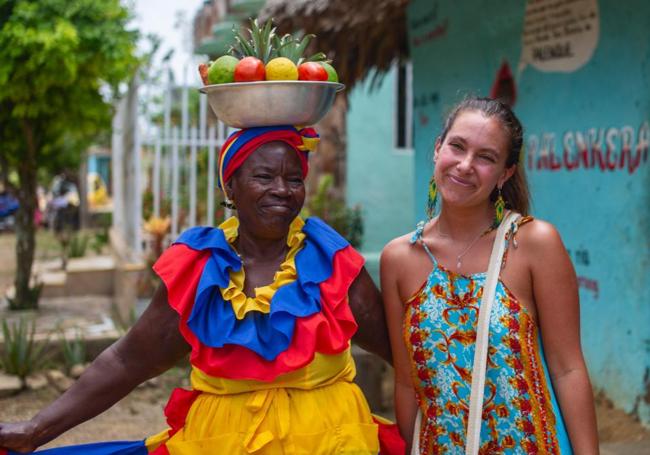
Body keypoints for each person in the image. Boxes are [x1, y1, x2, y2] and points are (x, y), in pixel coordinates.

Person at [0, 126, 402, 454]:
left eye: (293, 179)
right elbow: (127, 361)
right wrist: (35, 429)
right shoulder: (200, 269)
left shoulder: (331, 263)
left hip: (330, 442)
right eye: (264, 176)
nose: (282, 189)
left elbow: (402, 355)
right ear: (231, 187)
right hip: (218, 444)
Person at [380, 98, 599, 454]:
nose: (465, 165)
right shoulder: (399, 259)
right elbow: (406, 384)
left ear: (505, 173)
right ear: (437, 149)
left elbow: (567, 368)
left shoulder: (533, 243)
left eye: (486, 157)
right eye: (457, 146)